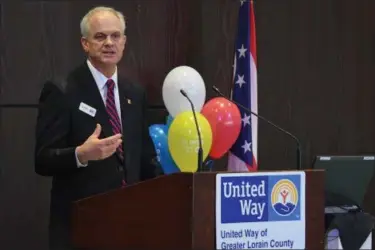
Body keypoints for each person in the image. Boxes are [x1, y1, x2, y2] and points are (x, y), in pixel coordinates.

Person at [34, 6, 160, 250]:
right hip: (81, 225)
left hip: (129, 225)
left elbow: (144, 158)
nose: (109, 43)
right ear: (85, 44)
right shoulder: (62, 90)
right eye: (100, 37)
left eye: (115, 36)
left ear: (124, 42)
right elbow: (42, 159)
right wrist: (81, 155)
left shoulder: (134, 93)